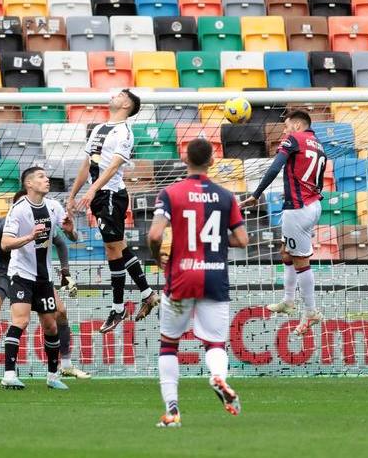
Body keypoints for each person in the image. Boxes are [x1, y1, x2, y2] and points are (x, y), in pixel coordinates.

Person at [148, 138, 247, 428]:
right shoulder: (227, 196)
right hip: (215, 275)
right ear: (212, 161)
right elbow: (242, 240)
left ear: (184, 158)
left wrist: (157, 258)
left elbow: (154, 235)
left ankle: (173, 411)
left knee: (169, 344)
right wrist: (214, 242)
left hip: (181, 275)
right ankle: (218, 377)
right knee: (214, 342)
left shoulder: (170, 193)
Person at [0, 190, 91, 380]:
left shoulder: (41, 223)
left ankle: (66, 365)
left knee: (60, 313)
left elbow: (61, 243)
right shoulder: (3, 223)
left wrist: (65, 273)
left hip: (31, 273)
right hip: (2, 272)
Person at [66, 89, 158, 334]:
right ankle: (147, 295)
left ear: (127, 104)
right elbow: (87, 164)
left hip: (110, 196)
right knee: (116, 248)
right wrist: (74, 194)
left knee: (113, 249)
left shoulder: (125, 133)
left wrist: (92, 190)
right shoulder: (98, 129)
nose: (113, 96)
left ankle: (119, 307)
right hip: (98, 196)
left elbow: (115, 165)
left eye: (119, 94)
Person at [240, 109, 326, 336]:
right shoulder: (317, 143)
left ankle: (310, 311)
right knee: (286, 251)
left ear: (297, 126)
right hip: (313, 205)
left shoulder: (294, 139)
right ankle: (288, 301)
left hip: (297, 210)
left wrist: (256, 194)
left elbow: (275, 167)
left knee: (300, 260)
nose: (284, 131)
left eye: (287, 126)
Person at [0, 167, 79, 390]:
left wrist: (72, 231)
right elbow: (5, 244)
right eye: (41, 177)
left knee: (51, 327)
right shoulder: (18, 210)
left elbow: (70, 238)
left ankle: (53, 377)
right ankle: (8, 374)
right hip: (22, 274)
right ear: (29, 184)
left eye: (46, 176)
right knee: (21, 321)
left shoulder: (54, 207)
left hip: (44, 277)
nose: (46, 180)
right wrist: (29, 237)